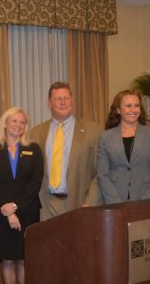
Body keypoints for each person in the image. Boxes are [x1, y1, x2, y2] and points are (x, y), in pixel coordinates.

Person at [0, 107, 43, 284]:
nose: (18, 125)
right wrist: (8, 209)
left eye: (22, 122)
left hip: (28, 211)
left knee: (25, 260)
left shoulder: (33, 149)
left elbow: (36, 182)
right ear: (5, 123)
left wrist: (16, 207)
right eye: (14, 121)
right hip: (1, 212)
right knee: (8, 261)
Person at [31, 81, 102, 220]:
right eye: (58, 99)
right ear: (49, 103)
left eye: (66, 98)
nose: (63, 102)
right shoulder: (36, 132)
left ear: (72, 100)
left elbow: (101, 172)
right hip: (45, 206)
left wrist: (90, 202)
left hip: (80, 204)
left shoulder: (93, 131)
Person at [97, 89, 150, 203]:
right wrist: (115, 202)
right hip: (114, 200)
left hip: (146, 199)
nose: (133, 110)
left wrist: (146, 201)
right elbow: (102, 174)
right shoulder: (106, 137)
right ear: (119, 110)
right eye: (128, 106)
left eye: (136, 105)